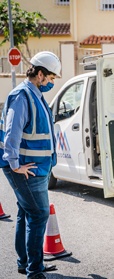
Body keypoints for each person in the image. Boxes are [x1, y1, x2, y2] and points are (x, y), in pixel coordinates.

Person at [0, 51, 61, 279]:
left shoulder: (35, 95)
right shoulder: (21, 96)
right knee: (38, 215)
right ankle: (34, 271)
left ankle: (25, 263)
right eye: (51, 77)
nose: (52, 82)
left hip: (36, 168)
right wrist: (15, 165)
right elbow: (11, 134)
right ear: (40, 73)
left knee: (26, 213)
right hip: (26, 168)